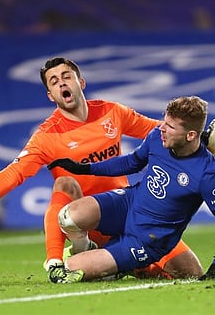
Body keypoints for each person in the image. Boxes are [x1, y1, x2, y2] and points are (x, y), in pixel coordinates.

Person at [0, 57, 204, 280]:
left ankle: (124, 265)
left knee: (192, 272)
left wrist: (203, 137)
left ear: (80, 81)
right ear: (50, 95)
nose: (61, 83)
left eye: (66, 76)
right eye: (54, 81)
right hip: (89, 220)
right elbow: (14, 174)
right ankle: (57, 260)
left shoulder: (112, 113)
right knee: (65, 183)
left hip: (132, 211)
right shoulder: (47, 136)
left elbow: (162, 132)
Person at [47, 96, 215, 282]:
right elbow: (131, 162)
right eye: (164, 121)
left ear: (190, 135)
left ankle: (122, 266)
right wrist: (85, 168)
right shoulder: (157, 138)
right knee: (68, 217)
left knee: (70, 269)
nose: (162, 128)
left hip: (148, 239)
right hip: (128, 205)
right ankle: (88, 249)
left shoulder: (207, 172)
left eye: (170, 126)